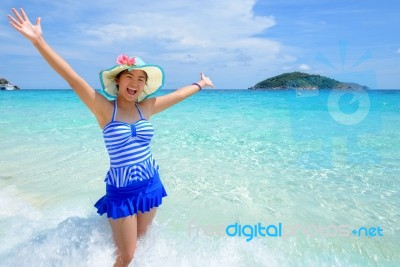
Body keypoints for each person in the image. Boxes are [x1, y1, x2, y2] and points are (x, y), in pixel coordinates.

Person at [8, 8, 214, 267]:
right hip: (122, 191)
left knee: (141, 243)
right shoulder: (105, 109)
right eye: (130, 76)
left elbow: (178, 95)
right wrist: (39, 41)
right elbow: (73, 78)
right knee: (125, 256)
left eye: (141, 79)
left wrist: (201, 84)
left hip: (150, 183)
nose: (136, 83)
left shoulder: (146, 106)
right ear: (118, 80)